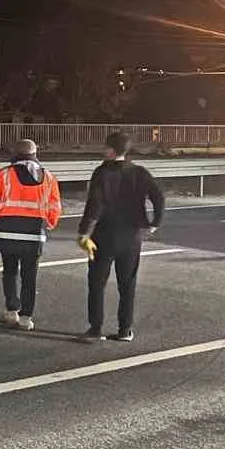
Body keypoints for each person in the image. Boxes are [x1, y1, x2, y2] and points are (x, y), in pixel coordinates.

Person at [77, 131, 166, 343]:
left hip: (104, 234)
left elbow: (95, 204)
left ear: (110, 150)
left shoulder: (102, 172)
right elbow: (158, 197)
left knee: (97, 282)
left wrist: (84, 232)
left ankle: (95, 327)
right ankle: (125, 329)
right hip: (131, 235)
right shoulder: (139, 172)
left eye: (105, 147)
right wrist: (155, 223)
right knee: (127, 283)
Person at [0, 138, 64, 330]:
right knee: (30, 275)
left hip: (7, 230)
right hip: (34, 232)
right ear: (35, 153)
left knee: (9, 271)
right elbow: (55, 205)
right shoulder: (48, 177)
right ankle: (26, 317)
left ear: (15, 153)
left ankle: (12, 310)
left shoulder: (4, 174)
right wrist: (49, 224)